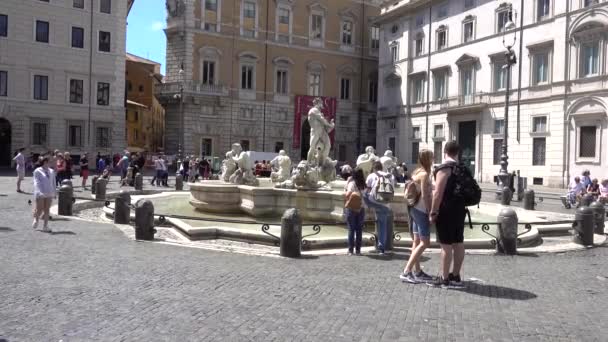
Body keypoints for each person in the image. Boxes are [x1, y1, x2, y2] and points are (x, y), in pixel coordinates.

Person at [429, 141, 466, 288]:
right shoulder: (462, 168)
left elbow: (438, 193)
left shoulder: (444, 168)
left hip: (446, 211)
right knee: (458, 242)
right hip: (460, 210)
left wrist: (433, 211)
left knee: (445, 245)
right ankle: (456, 275)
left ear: (445, 151)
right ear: (457, 153)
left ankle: (444, 278)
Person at [400, 149, 435, 284]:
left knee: (416, 241)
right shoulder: (425, 174)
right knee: (425, 242)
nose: (433, 159)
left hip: (413, 208)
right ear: (428, 159)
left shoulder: (416, 172)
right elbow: (426, 195)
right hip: (421, 210)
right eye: (432, 157)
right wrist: (430, 211)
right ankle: (406, 271)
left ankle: (418, 271)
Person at [364, 161, 393, 255]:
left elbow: (367, 190)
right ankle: (383, 246)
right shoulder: (390, 176)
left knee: (381, 226)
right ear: (382, 167)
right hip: (386, 204)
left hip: (375, 203)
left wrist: (367, 203)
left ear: (374, 168)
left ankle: (381, 247)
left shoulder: (371, 176)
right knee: (383, 225)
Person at [344, 168, 366, 255]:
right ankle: (358, 250)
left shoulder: (352, 184)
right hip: (361, 208)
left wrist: (346, 184)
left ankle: (350, 250)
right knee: (359, 230)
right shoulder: (364, 184)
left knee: (351, 229)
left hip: (352, 208)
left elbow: (347, 194)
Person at [32, 157, 56, 232]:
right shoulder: (37, 171)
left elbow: (53, 182)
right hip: (40, 193)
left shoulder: (51, 171)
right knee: (40, 209)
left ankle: (45, 226)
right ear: (45, 162)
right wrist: (39, 192)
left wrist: (54, 192)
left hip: (49, 192)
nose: (51, 163)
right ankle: (36, 219)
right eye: (50, 162)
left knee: (47, 209)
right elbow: (36, 182)